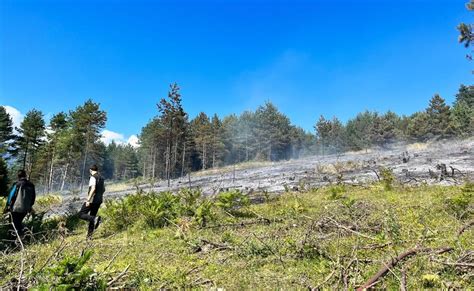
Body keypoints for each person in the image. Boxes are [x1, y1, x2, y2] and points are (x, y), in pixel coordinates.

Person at [4, 170, 36, 236]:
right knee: (18, 223)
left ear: (18, 176)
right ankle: (24, 236)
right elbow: (33, 197)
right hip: (26, 209)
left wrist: (7, 206)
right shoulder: (31, 185)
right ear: (25, 175)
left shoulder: (17, 184)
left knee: (13, 225)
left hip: (15, 208)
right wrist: (30, 206)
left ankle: (14, 241)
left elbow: (11, 196)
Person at [78, 164, 105, 238]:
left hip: (92, 200)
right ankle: (89, 237)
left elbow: (93, 189)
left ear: (90, 170)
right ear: (97, 170)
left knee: (81, 214)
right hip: (99, 200)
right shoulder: (101, 178)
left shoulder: (93, 178)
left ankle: (95, 219)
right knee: (92, 217)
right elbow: (103, 189)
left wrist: (88, 200)